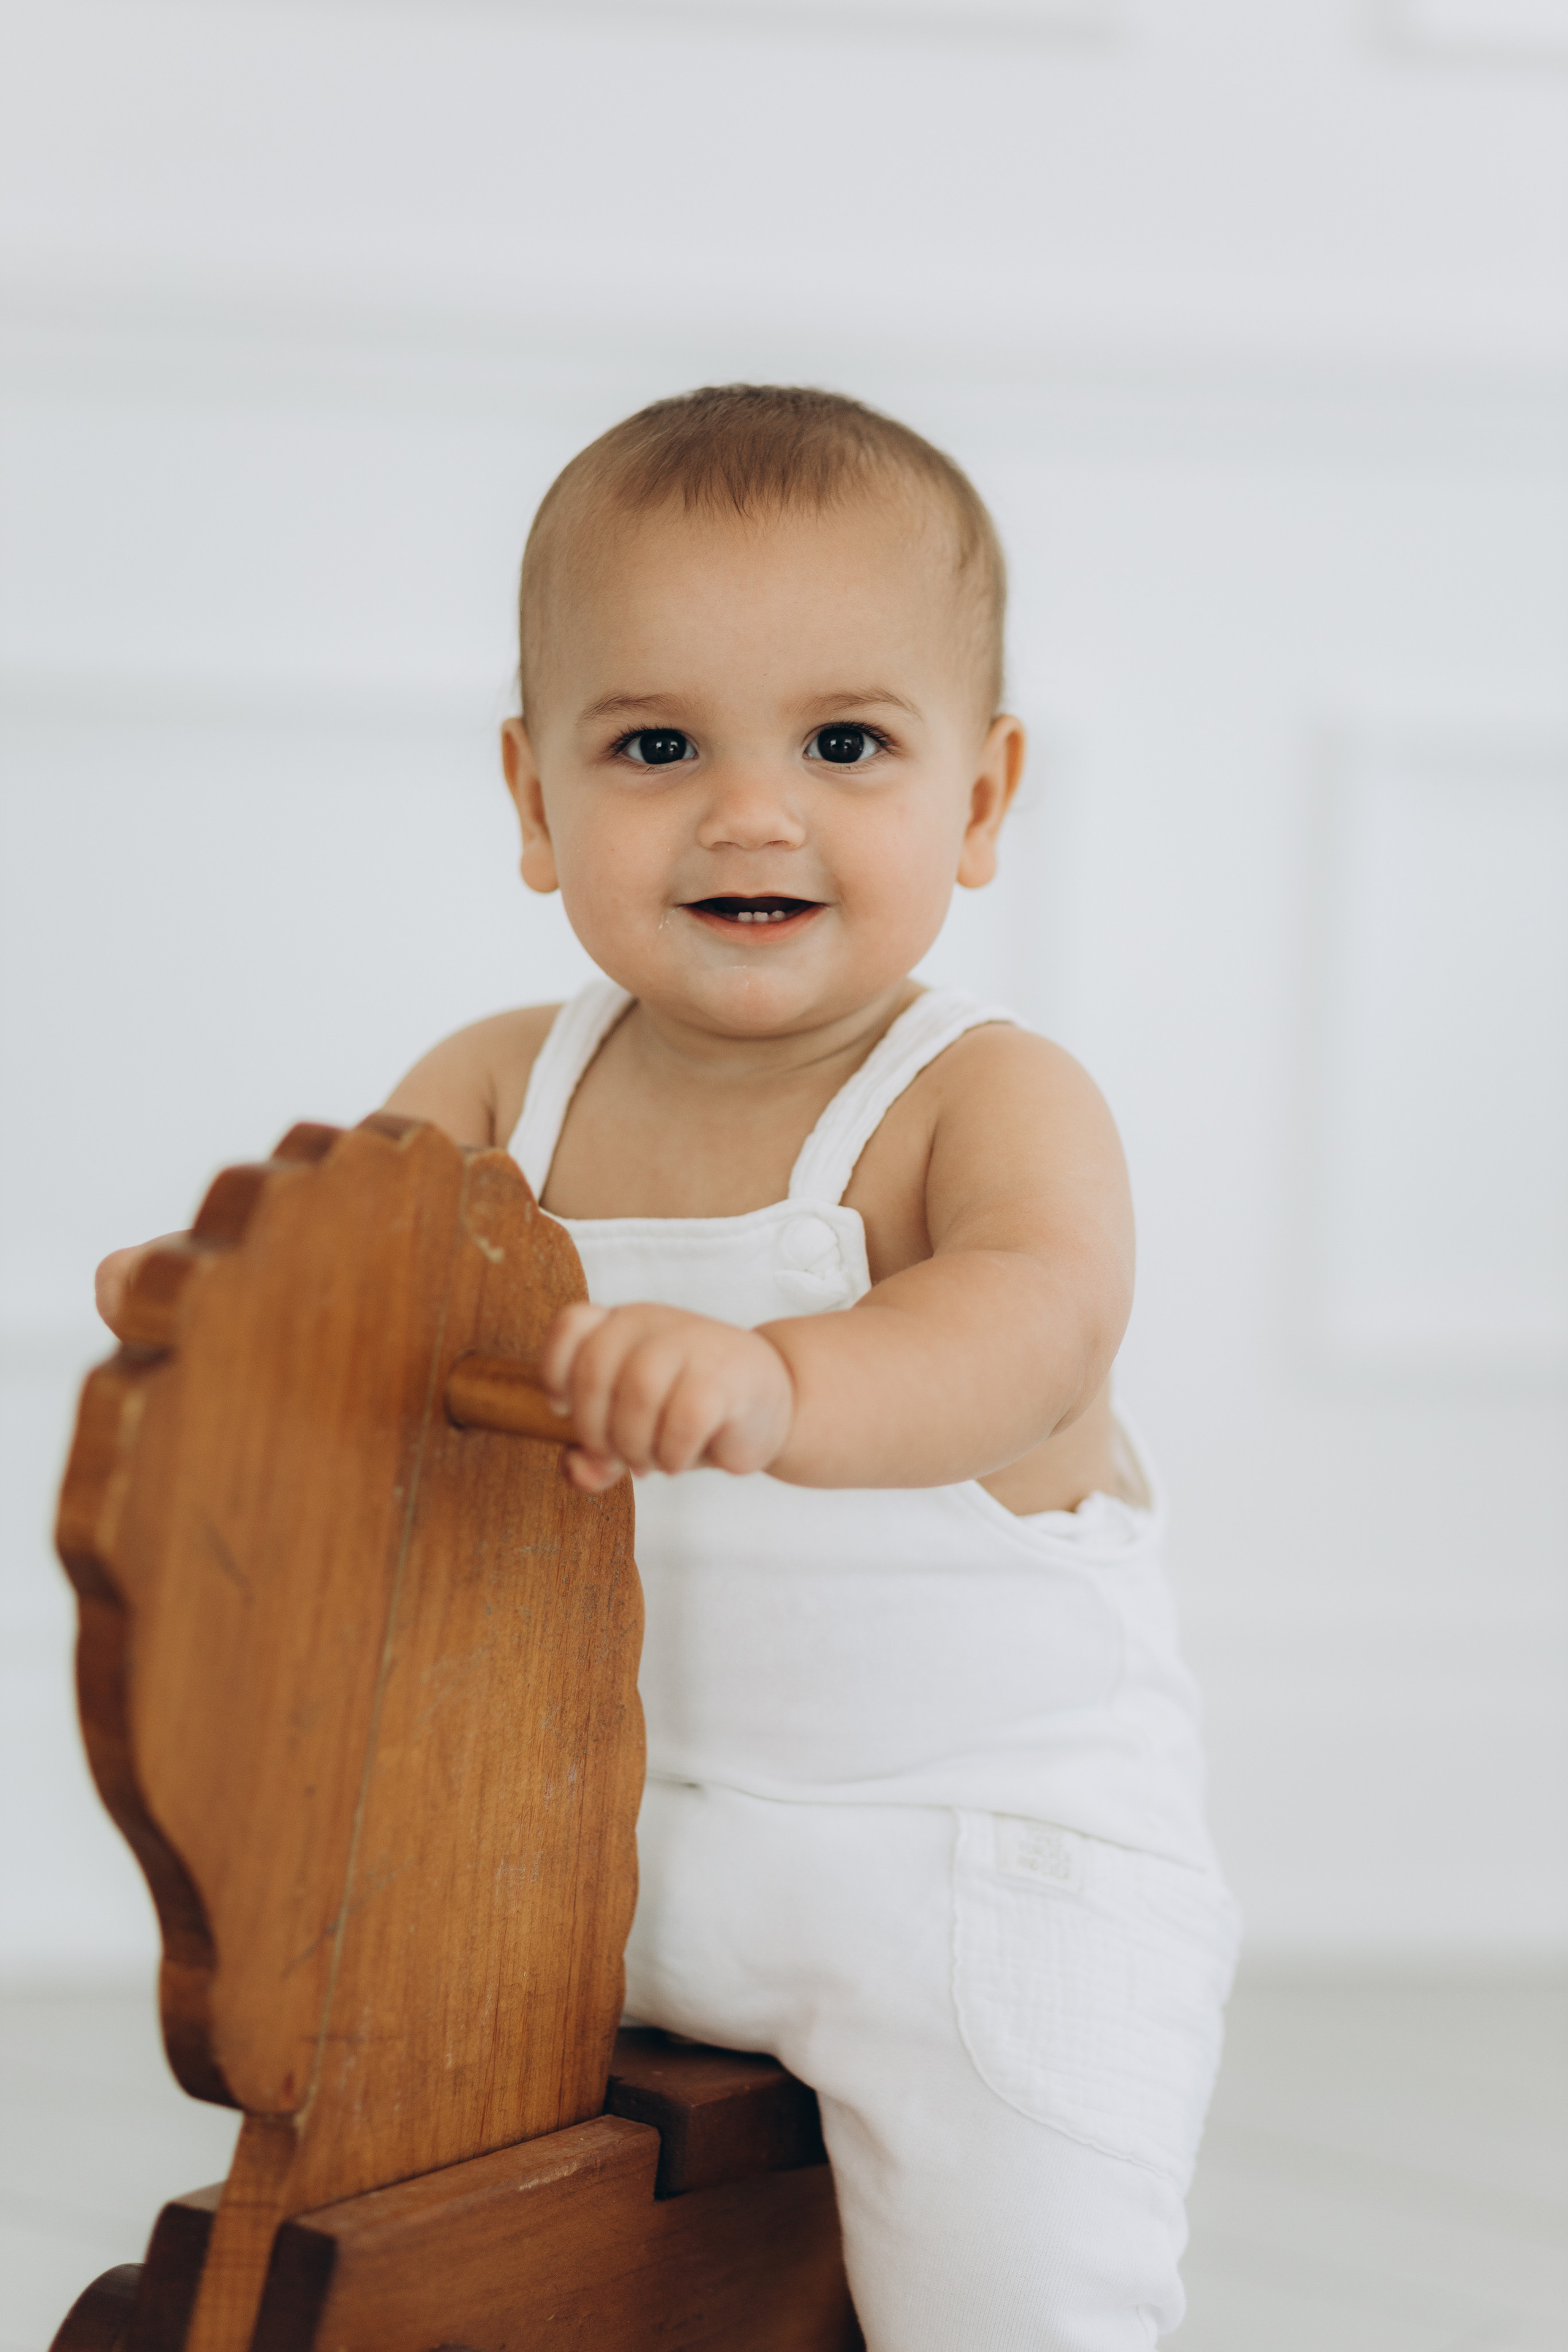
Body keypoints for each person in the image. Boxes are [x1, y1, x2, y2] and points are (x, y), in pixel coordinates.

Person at [97, 384, 1238, 2350]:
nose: (750, 809)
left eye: (846, 742)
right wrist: (237, 1321)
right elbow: (366, 1309)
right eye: (655, 744)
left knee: (1020, 2289)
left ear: (980, 799)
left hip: (959, 1858)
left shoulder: (982, 1103)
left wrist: (788, 1384)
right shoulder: (492, 1089)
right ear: (538, 804)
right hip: (588, 1848)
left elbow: (1037, 1335)